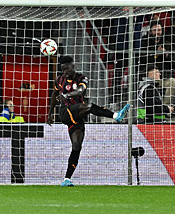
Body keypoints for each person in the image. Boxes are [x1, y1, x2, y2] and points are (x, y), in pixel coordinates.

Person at [47, 55, 130, 186]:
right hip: (65, 112)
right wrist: (50, 113)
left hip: (77, 115)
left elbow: (80, 91)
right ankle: (115, 116)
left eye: (67, 69)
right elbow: (54, 94)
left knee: (77, 146)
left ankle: (66, 179)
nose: (65, 72)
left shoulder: (81, 78)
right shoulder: (60, 80)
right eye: (63, 70)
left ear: (73, 65)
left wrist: (66, 95)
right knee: (89, 106)